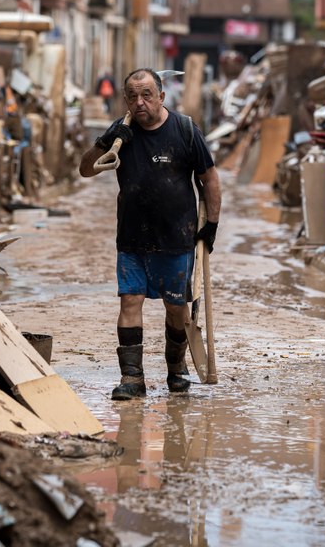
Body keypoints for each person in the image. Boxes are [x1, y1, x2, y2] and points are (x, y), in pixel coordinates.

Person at [79, 68, 222, 400]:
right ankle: (132, 377)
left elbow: (210, 180)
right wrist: (106, 140)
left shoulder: (185, 130)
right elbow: (86, 170)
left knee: (176, 308)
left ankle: (176, 369)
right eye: (132, 96)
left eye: (146, 94)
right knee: (130, 301)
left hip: (176, 239)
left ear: (161, 96)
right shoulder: (122, 134)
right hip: (132, 238)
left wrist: (210, 226)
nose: (139, 102)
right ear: (125, 101)